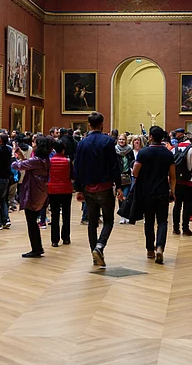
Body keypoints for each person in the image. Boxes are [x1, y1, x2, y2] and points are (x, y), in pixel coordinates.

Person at [73, 112, 121, 268]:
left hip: (88, 188)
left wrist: (78, 189)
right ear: (102, 124)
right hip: (105, 187)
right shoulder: (108, 141)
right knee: (108, 220)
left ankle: (94, 255)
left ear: (89, 125)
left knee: (92, 222)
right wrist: (119, 186)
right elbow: (115, 166)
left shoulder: (82, 143)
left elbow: (78, 167)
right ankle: (100, 246)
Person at [131, 126, 176, 264]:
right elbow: (173, 176)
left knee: (149, 222)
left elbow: (135, 172)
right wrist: (172, 191)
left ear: (150, 137)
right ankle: (160, 247)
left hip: (147, 192)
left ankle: (150, 250)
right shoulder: (168, 154)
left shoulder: (143, 153)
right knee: (162, 221)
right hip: (162, 191)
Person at [12, 135, 51, 258]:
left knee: (31, 222)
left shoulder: (36, 160)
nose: (32, 144)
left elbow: (16, 166)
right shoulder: (44, 159)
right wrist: (22, 157)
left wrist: (14, 155)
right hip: (41, 192)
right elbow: (27, 165)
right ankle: (37, 247)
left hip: (33, 193)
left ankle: (36, 248)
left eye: (35, 142)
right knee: (33, 220)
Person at [171, 133, 192, 237]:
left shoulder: (174, 148)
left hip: (176, 182)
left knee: (177, 205)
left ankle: (175, 228)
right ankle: (185, 228)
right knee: (187, 205)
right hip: (189, 182)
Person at [47, 140, 74, 248]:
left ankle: (55, 240)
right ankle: (66, 238)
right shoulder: (68, 161)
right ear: (63, 149)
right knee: (66, 214)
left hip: (53, 190)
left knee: (55, 215)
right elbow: (72, 176)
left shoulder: (50, 161)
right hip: (66, 189)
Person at [115, 133, 135, 224]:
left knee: (126, 196)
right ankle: (122, 215)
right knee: (120, 196)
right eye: (120, 139)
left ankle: (125, 214)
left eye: (123, 139)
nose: (121, 141)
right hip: (118, 176)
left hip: (127, 176)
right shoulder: (114, 150)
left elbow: (133, 161)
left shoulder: (129, 150)